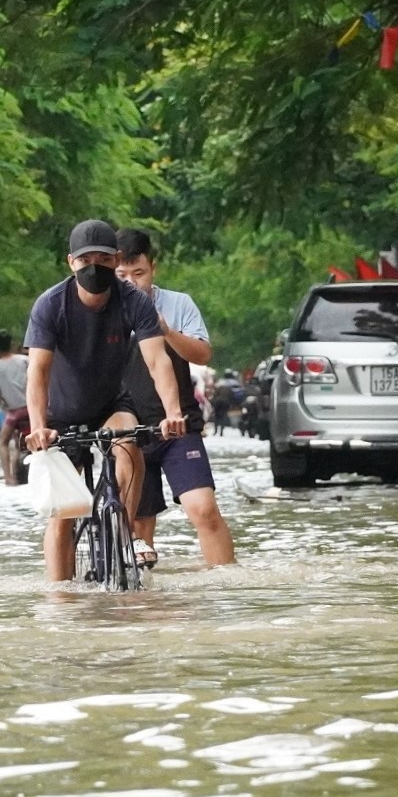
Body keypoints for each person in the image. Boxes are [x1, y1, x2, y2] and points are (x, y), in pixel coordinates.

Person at [25, 219, 187, 582]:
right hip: (60, 415)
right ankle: (60, 596)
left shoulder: (134, 302)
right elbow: (37, 371)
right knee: (63, 516)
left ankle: (124, 533)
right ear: (71, 263)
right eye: (85, 260)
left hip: (111, 405)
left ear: (115, 260)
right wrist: (38, 428)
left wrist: (173, 413)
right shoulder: (51, 305)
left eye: (102, 258)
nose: (93, 266)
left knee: (129, 445)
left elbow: (158, 360)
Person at [115, 228, 236, 568]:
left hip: (178, 426)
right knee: (138, 526)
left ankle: (227, 584)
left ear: (153, 268)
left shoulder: (179, 303)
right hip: (128, 430)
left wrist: (166, 330)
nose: (130, 282)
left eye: (138, 273)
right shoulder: (102, 312)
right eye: (121, 275)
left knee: (204, 509)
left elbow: (202, 355)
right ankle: (145, 607)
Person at [0, 330, 30, 482]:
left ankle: (9, 478)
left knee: (3, 442)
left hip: (14, 413)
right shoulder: (24, 360)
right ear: (11, 344)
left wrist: (4, 402)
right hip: (32, 409)